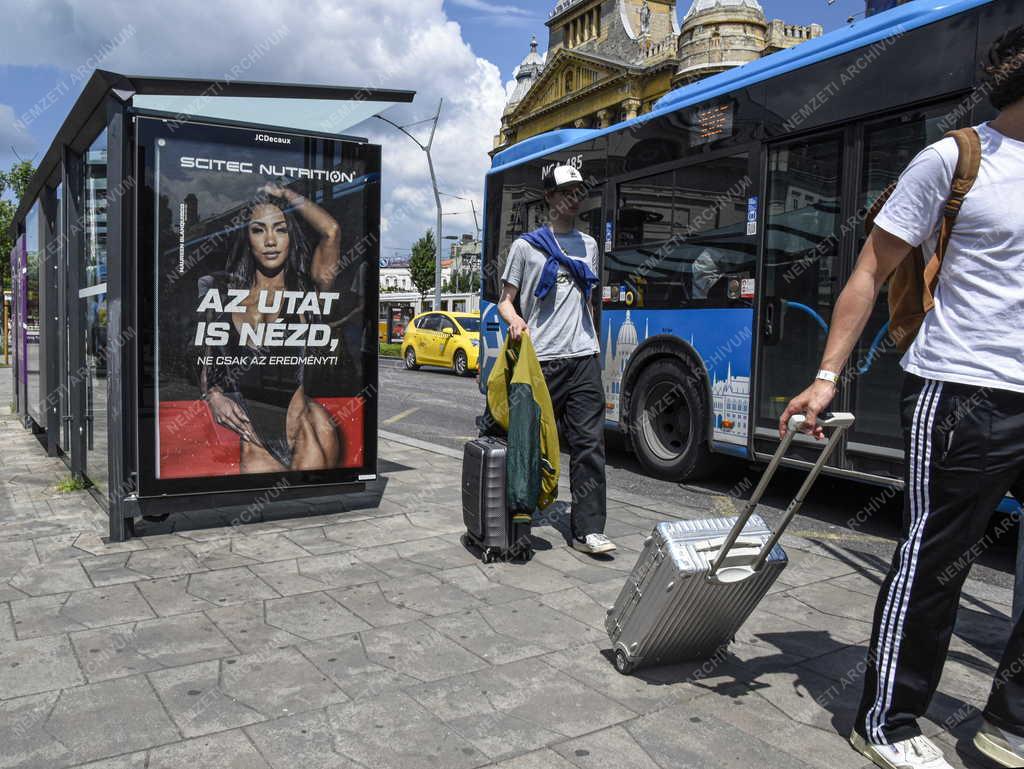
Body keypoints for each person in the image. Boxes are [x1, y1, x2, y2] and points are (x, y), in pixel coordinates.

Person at [780, 28, 1024, 769]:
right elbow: (867, 272)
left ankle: (1008, 720)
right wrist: (826, 377)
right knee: (936, 557)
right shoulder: (955, 158)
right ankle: (885, 716)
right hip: (961, 390)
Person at [497, 165, 616, 555]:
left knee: (589, 445)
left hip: (583, 355)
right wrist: (516, 321)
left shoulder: (590, 245)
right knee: (531, 445)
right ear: (549, 197)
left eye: (579, 191)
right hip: (541, 359)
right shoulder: (525, 247)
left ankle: (587, 530)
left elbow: (589, 300)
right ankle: (518, 523)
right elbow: (505, 301)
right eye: (566, 191)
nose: (574, 198)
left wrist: (594, 342)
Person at [200, 183, 342, 474]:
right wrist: (213, 396)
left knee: (309, 512)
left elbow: (331, 231)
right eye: (258, 230)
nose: (270, 240)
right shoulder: (226, 301)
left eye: (280, 229)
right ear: (247, 238)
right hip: (255, 439)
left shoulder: (306, 293)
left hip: (307, 429)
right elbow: (208, 365)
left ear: (290, 236)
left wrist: (286, 195)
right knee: (262, 513)